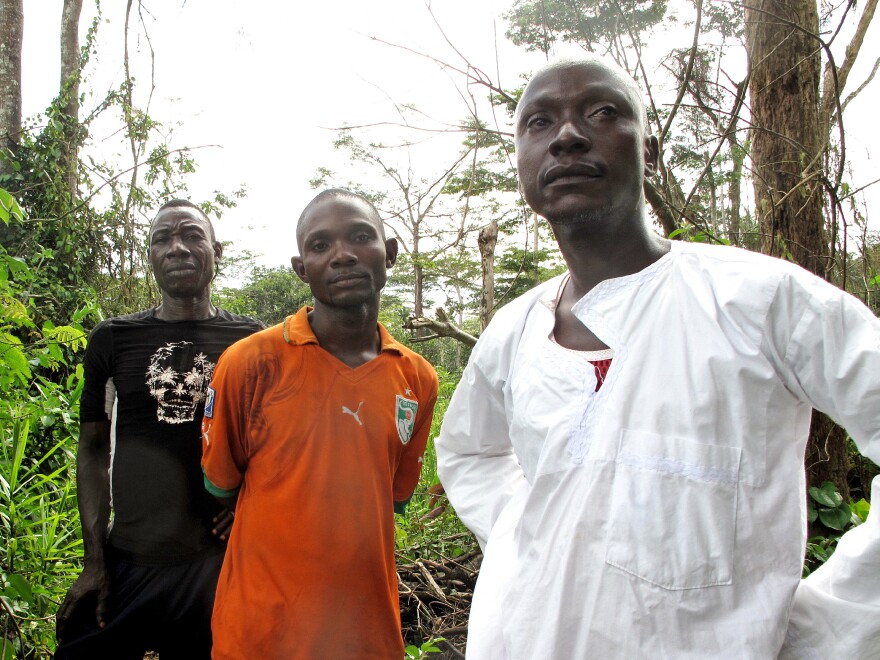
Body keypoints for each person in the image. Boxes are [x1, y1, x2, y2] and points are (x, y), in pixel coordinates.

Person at [435, 56, 880, 658]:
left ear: (647, 146)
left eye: (601, 112)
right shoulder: (514, 329)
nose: (566, 135)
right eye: (538, 122)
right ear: (521, 162)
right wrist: (528, 530)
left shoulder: (761, 301)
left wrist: (827, 627)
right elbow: (469, 451)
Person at [201, 189, 439, 659]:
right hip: (261, 631)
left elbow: (391, 493)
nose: (342, 255)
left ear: (389, 253)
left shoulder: (417, 377)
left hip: (366, 632)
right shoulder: (250, 363)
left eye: (359, 237)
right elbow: (221, 482)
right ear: (300, 268)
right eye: (320, 245)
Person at [55, 200, 264, 659]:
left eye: (192, 235)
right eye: (162, 239)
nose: (177, 248)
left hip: (217, 567)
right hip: (130, 559)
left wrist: (250, 502)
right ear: (149, 256)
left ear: (217, 251)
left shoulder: (250, 340)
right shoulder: (113, 338)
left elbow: (270, 442)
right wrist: (94, 563)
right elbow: (92, 449)